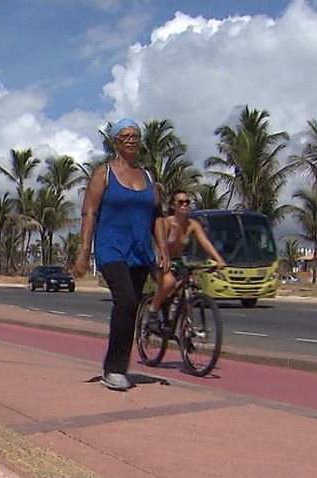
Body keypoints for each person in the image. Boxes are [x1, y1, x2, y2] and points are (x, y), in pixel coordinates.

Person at [72, 119, 169, 391]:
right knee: (125, 301)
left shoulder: (148, 178)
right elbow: (89, 212)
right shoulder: (104, 174)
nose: (131, 140)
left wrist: (162, 249)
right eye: (125, 136)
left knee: (131, 307)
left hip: (140, 253)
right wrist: (83, 252)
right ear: (116, 142)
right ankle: (113, 369)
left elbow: (157, 216)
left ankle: (120, 366)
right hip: (111, 248)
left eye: (135, 136)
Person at [145, 189, 227, 331]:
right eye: (180, 202)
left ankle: (184, 332)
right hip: (160, 258)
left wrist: (219, 260)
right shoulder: (167, 223)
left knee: (187, 287)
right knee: (169, 283)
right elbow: (158, 242)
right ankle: (152, 312)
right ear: (173, 206)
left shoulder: (193, 224)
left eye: (187, 202)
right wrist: (161, 259)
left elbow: (205, 242)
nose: (184, 205)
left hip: (178, 260)